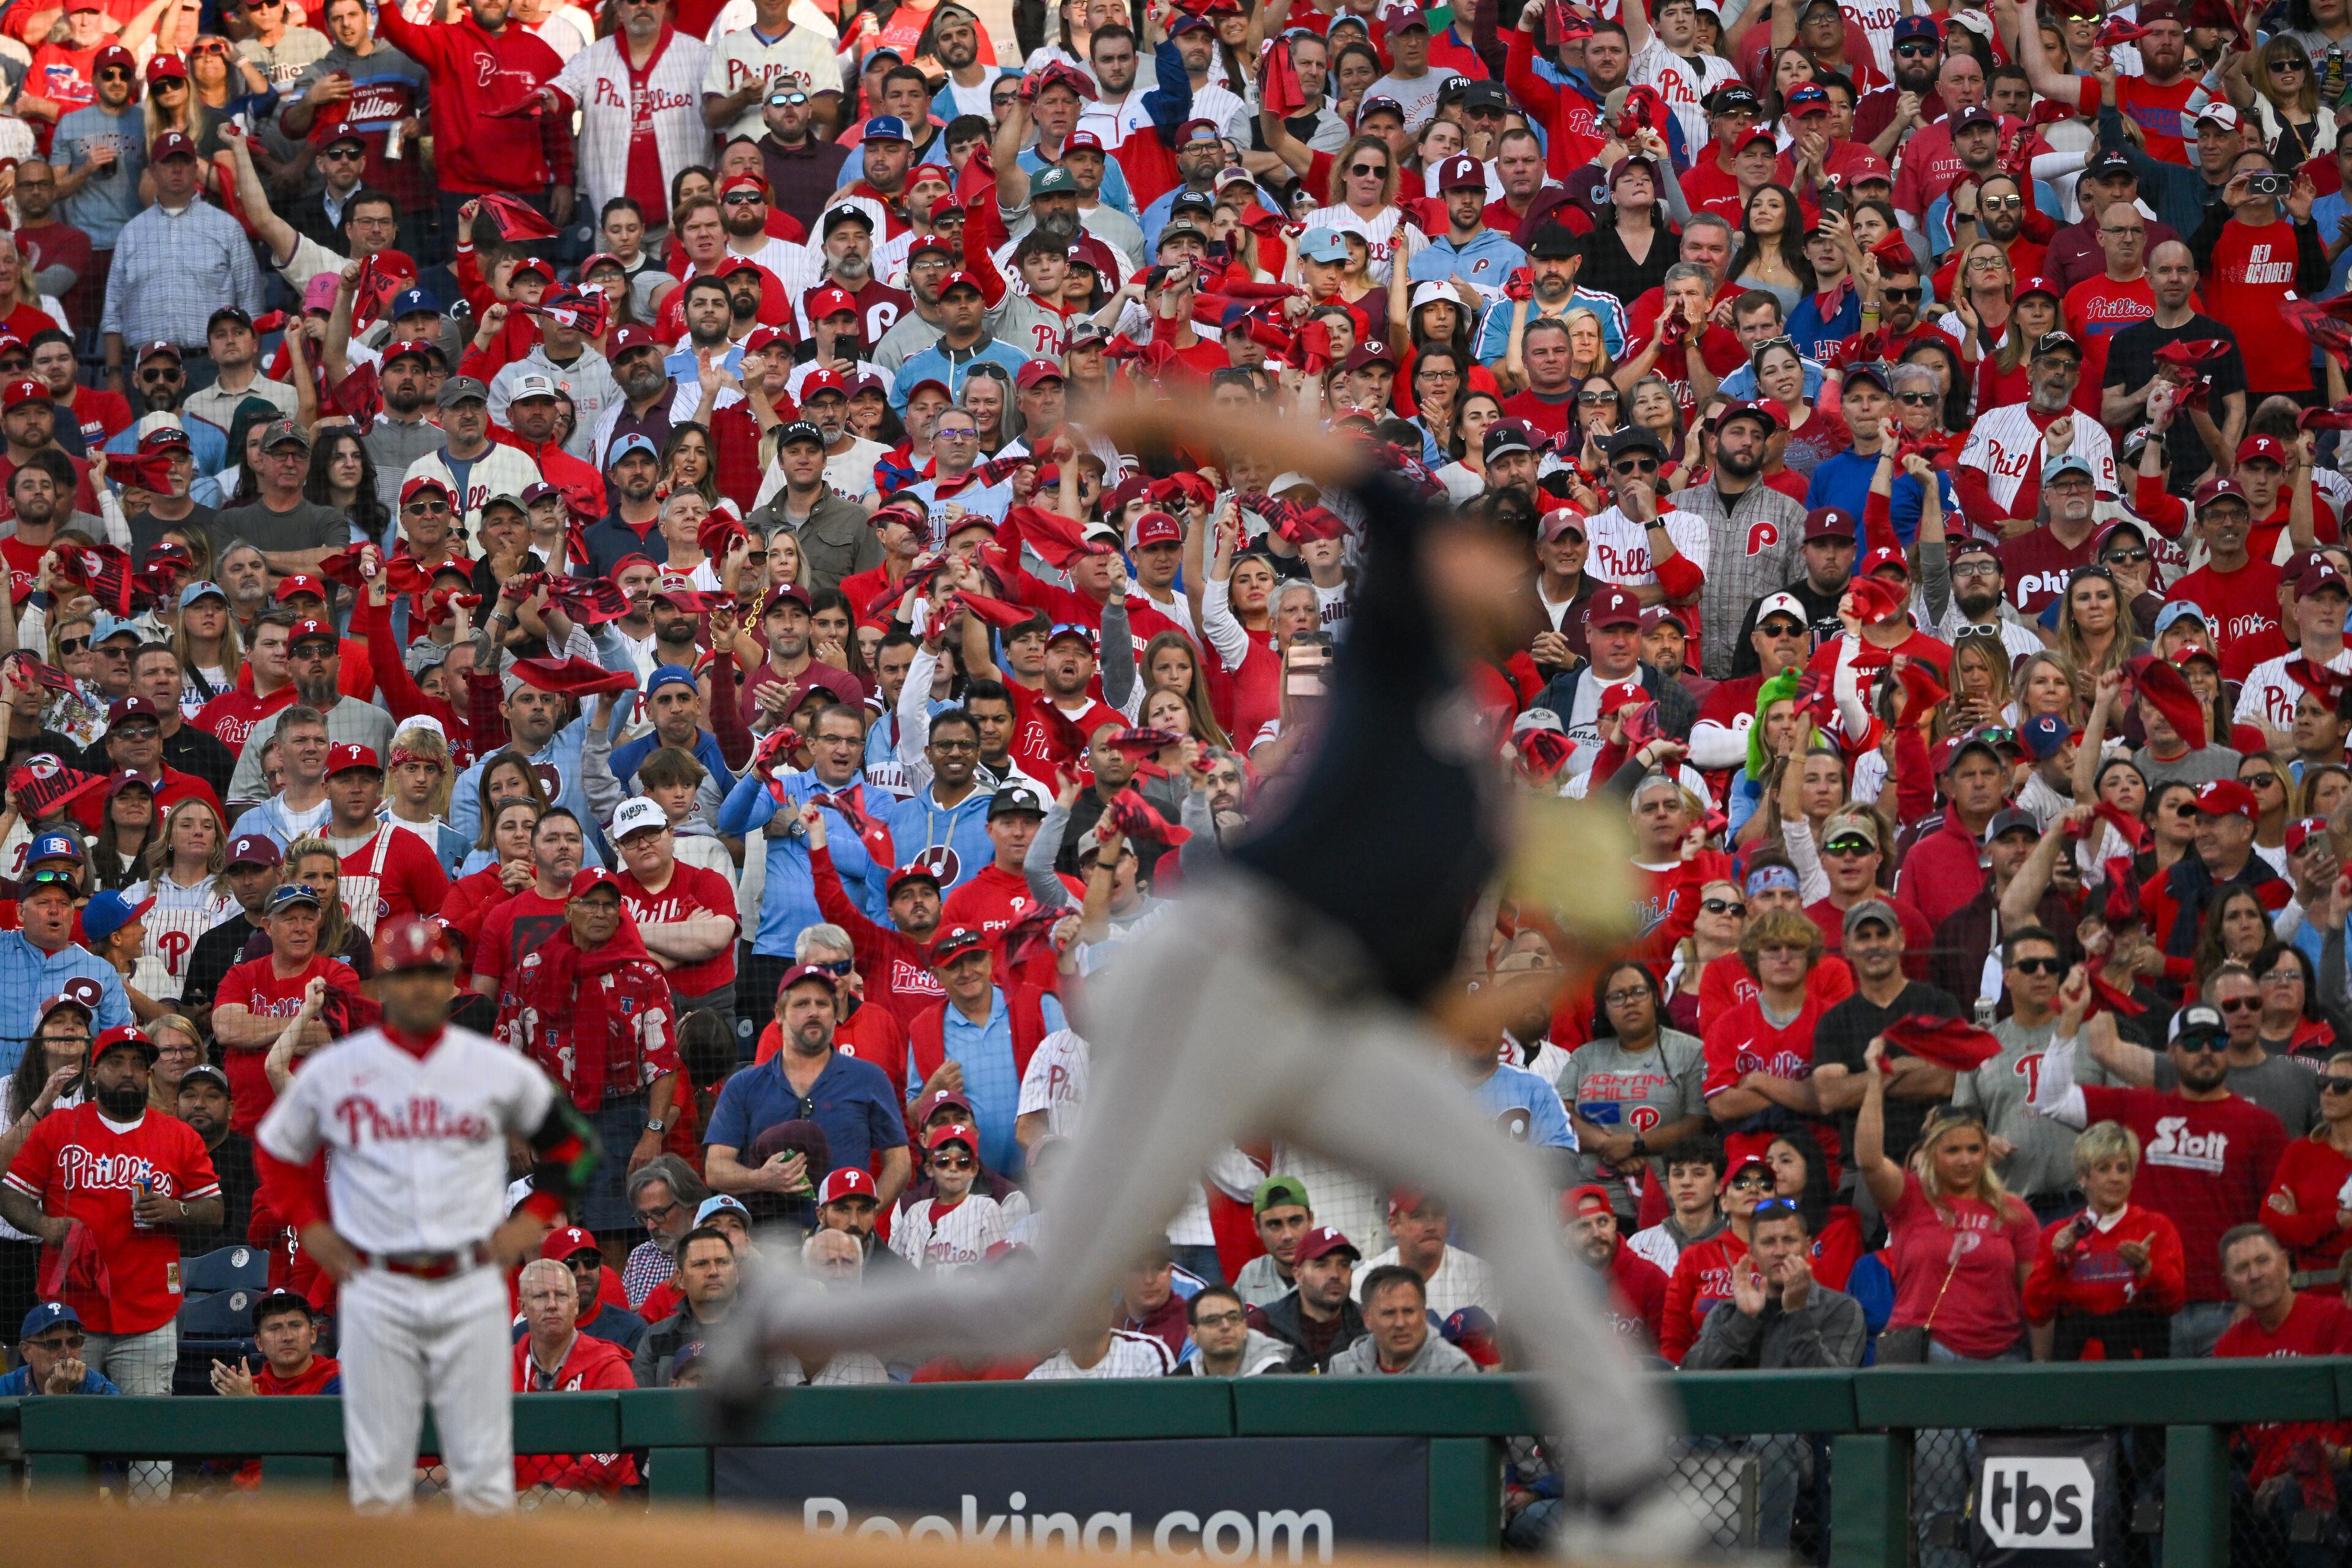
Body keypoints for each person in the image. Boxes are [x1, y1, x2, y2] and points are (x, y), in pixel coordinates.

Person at [252, 918, 597, 1513]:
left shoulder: (493, 1066)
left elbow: (573, 1145)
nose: (418, 986)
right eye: (403, 973)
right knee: (380, 1480)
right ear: (380, 985)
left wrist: (529, 1222)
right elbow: (275, 1149)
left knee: (486, 1477)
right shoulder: (340, 1070)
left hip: (469, 1284)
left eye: (431, 973)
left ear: (451, 982)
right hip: (376, 1287)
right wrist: (309, 1225)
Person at [2028, 988, 2292, 1357]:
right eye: (2192, 1041)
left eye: (2217, 1041)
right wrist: (2070, 1019)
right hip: (2142, 1307)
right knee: (2149, 1416)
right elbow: (2052, 1100)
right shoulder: (2139, 1106)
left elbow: (2275, 1225)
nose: (2205, 1051)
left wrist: (2253, 1301)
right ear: (2170, 1051)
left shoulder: (2261, 1125)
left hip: (2225, 1306)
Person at [705, 962, 910, 1209]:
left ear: (835, 1014)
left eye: (822, 1004)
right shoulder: (743, 1085)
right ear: (779, 1014)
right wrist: (761, 1179)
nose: (814, 1012)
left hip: (845, 1240)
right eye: (802, 1004)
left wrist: (865, 1217)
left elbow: (899, 1162)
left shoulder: (869, 1079)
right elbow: (715, 1169)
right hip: (771, 1239)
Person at [2021, 1121, 2186, 1362]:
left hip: (2142, 1364)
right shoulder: (2059, 1234)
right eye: (2104, 1169)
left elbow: (2174, 1302)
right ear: (2083, 1177)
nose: (2115, 1178)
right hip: (2077, 1367)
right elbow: (2035, 1312)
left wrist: (2147, 1269)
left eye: (2123, 1168)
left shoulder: (2156, 1227)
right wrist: (2055, 1262)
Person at [1329, 1264, 1479, 1376]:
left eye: (1409, 1311)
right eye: (1389, 1313)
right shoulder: (1342, 1369)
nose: (1400, 1323)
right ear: (1367, 1318)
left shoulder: (1455, 1369)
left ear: (1424, 1314)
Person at [638, 1225, 741, 1389]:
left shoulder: (767, 1330)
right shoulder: (656, 1337)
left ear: (736, 1272)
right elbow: (640, 1405)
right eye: (701, 1264)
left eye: (722, 1262)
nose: (713, 1271)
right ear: (680, 1279)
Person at [211, 1289, 342, 1403]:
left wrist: (249, 1402)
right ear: (259, 1343)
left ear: (313, 1334)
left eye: (295, 1326)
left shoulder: (336, 1379)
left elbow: (316, 1430)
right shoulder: (250, 1387)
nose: (287, 1337)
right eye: (275, 1329)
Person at [0, 1301, 119, 1395]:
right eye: (52, 1344)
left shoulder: (98, 1387)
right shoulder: (7, 1387)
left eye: (74, 1342)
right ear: (26, 1351)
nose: (66, 1353)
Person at [1172, 1284, 1291, 1377]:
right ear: (1193, 1334)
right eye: (1212, 1320)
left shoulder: (1278, 1379)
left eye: (1233, 1318)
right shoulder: (1180, 1382)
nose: (1226, 1326)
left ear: (1245, 1326)